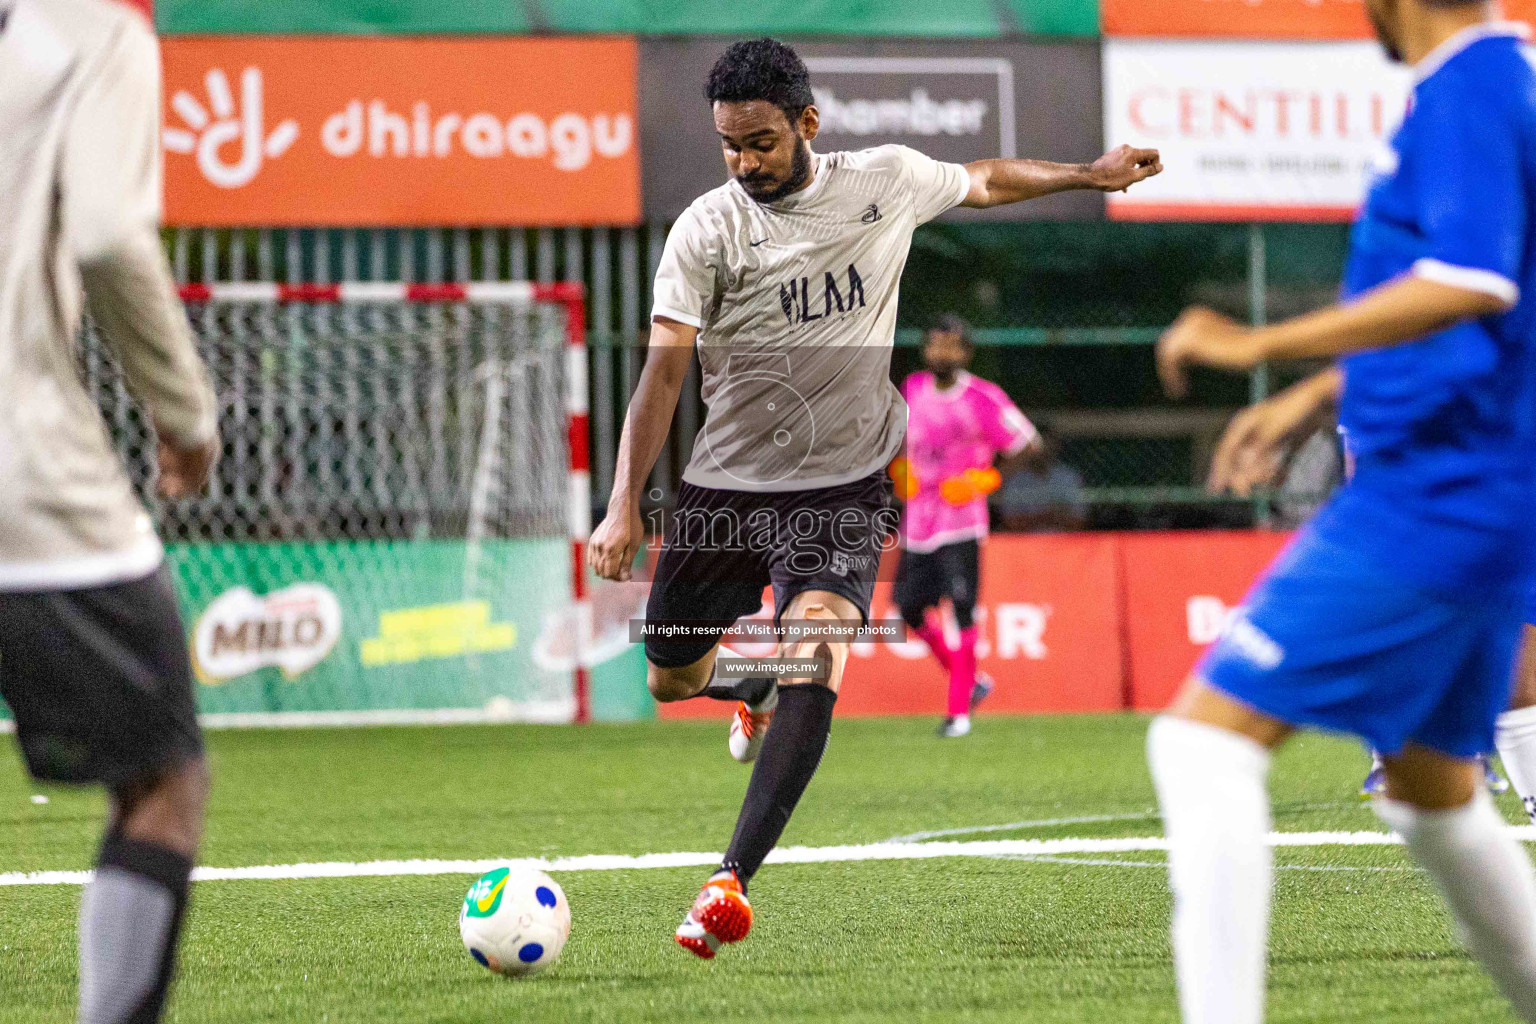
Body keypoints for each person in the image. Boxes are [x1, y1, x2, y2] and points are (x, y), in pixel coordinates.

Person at [586, 36, 1160, 959]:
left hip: (845, 484)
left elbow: (984, 179)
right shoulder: (705, 229)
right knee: (671, 676)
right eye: (730, 145)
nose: (745, 163)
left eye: (762, 143)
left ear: (807, 124)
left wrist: (1087, 175)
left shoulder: (884, 180)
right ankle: (749, 686)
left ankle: (730, 881)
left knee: (820, 648)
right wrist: (624, 506)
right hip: (727, 486)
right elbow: (661, 378)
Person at [1152, 2, 1536, 1020]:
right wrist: (1314, 395)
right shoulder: (1503, 82)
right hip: (1475, 484)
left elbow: (1472, 280)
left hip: (1436, 491)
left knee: (1200, 745)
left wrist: (1256, 346)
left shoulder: (1474, 87)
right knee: (1435, 803)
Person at [0, 2, 221, 1023]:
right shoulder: (94, 33)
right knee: (161, 777)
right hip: (27, 482)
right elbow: (102, 233)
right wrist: (184, 418)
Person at [1208, 369, 1519, 804]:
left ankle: (1424, 754)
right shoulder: (1386, 368)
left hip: (1448, 520)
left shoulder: (1447, 342)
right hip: (1416, 526)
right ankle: (1411, 756)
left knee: (1195, 741)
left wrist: (1258, 351)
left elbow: (1457, 308)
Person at [891, 315, 1040, 738]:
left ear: (965, 352)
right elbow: (900, 440)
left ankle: (958, 714)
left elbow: (1029, 442)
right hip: (919, 521)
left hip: (960, 523)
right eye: (935, 344)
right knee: (909, 610)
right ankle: (971, 682)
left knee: (961, 611)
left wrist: (987, 479)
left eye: (951, 345)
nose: (942, 352)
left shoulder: (982, 397)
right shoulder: (913, 388)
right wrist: (899, 470)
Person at [991, 425, 1087, 533]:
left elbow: (1078, 521)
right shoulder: (1016, 479)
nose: (1042, 449)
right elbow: (1011, 523)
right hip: (1025, 544)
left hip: (1063, 543)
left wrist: (1034, 518)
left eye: (1047, 443)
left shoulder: (1068, 477)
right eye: (1038, 445)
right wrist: (1052, 515)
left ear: (1056, 445)